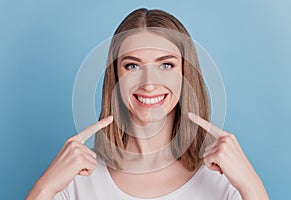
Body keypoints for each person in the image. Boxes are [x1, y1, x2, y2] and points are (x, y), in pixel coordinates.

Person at [27, 8, 269, 200]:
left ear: (186, 75)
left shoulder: (223, 179)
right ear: (116, 77)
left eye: (166, 65)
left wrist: (252, 186)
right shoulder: (77, 179)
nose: (149, 84)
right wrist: (44, 188)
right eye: (132, 65)